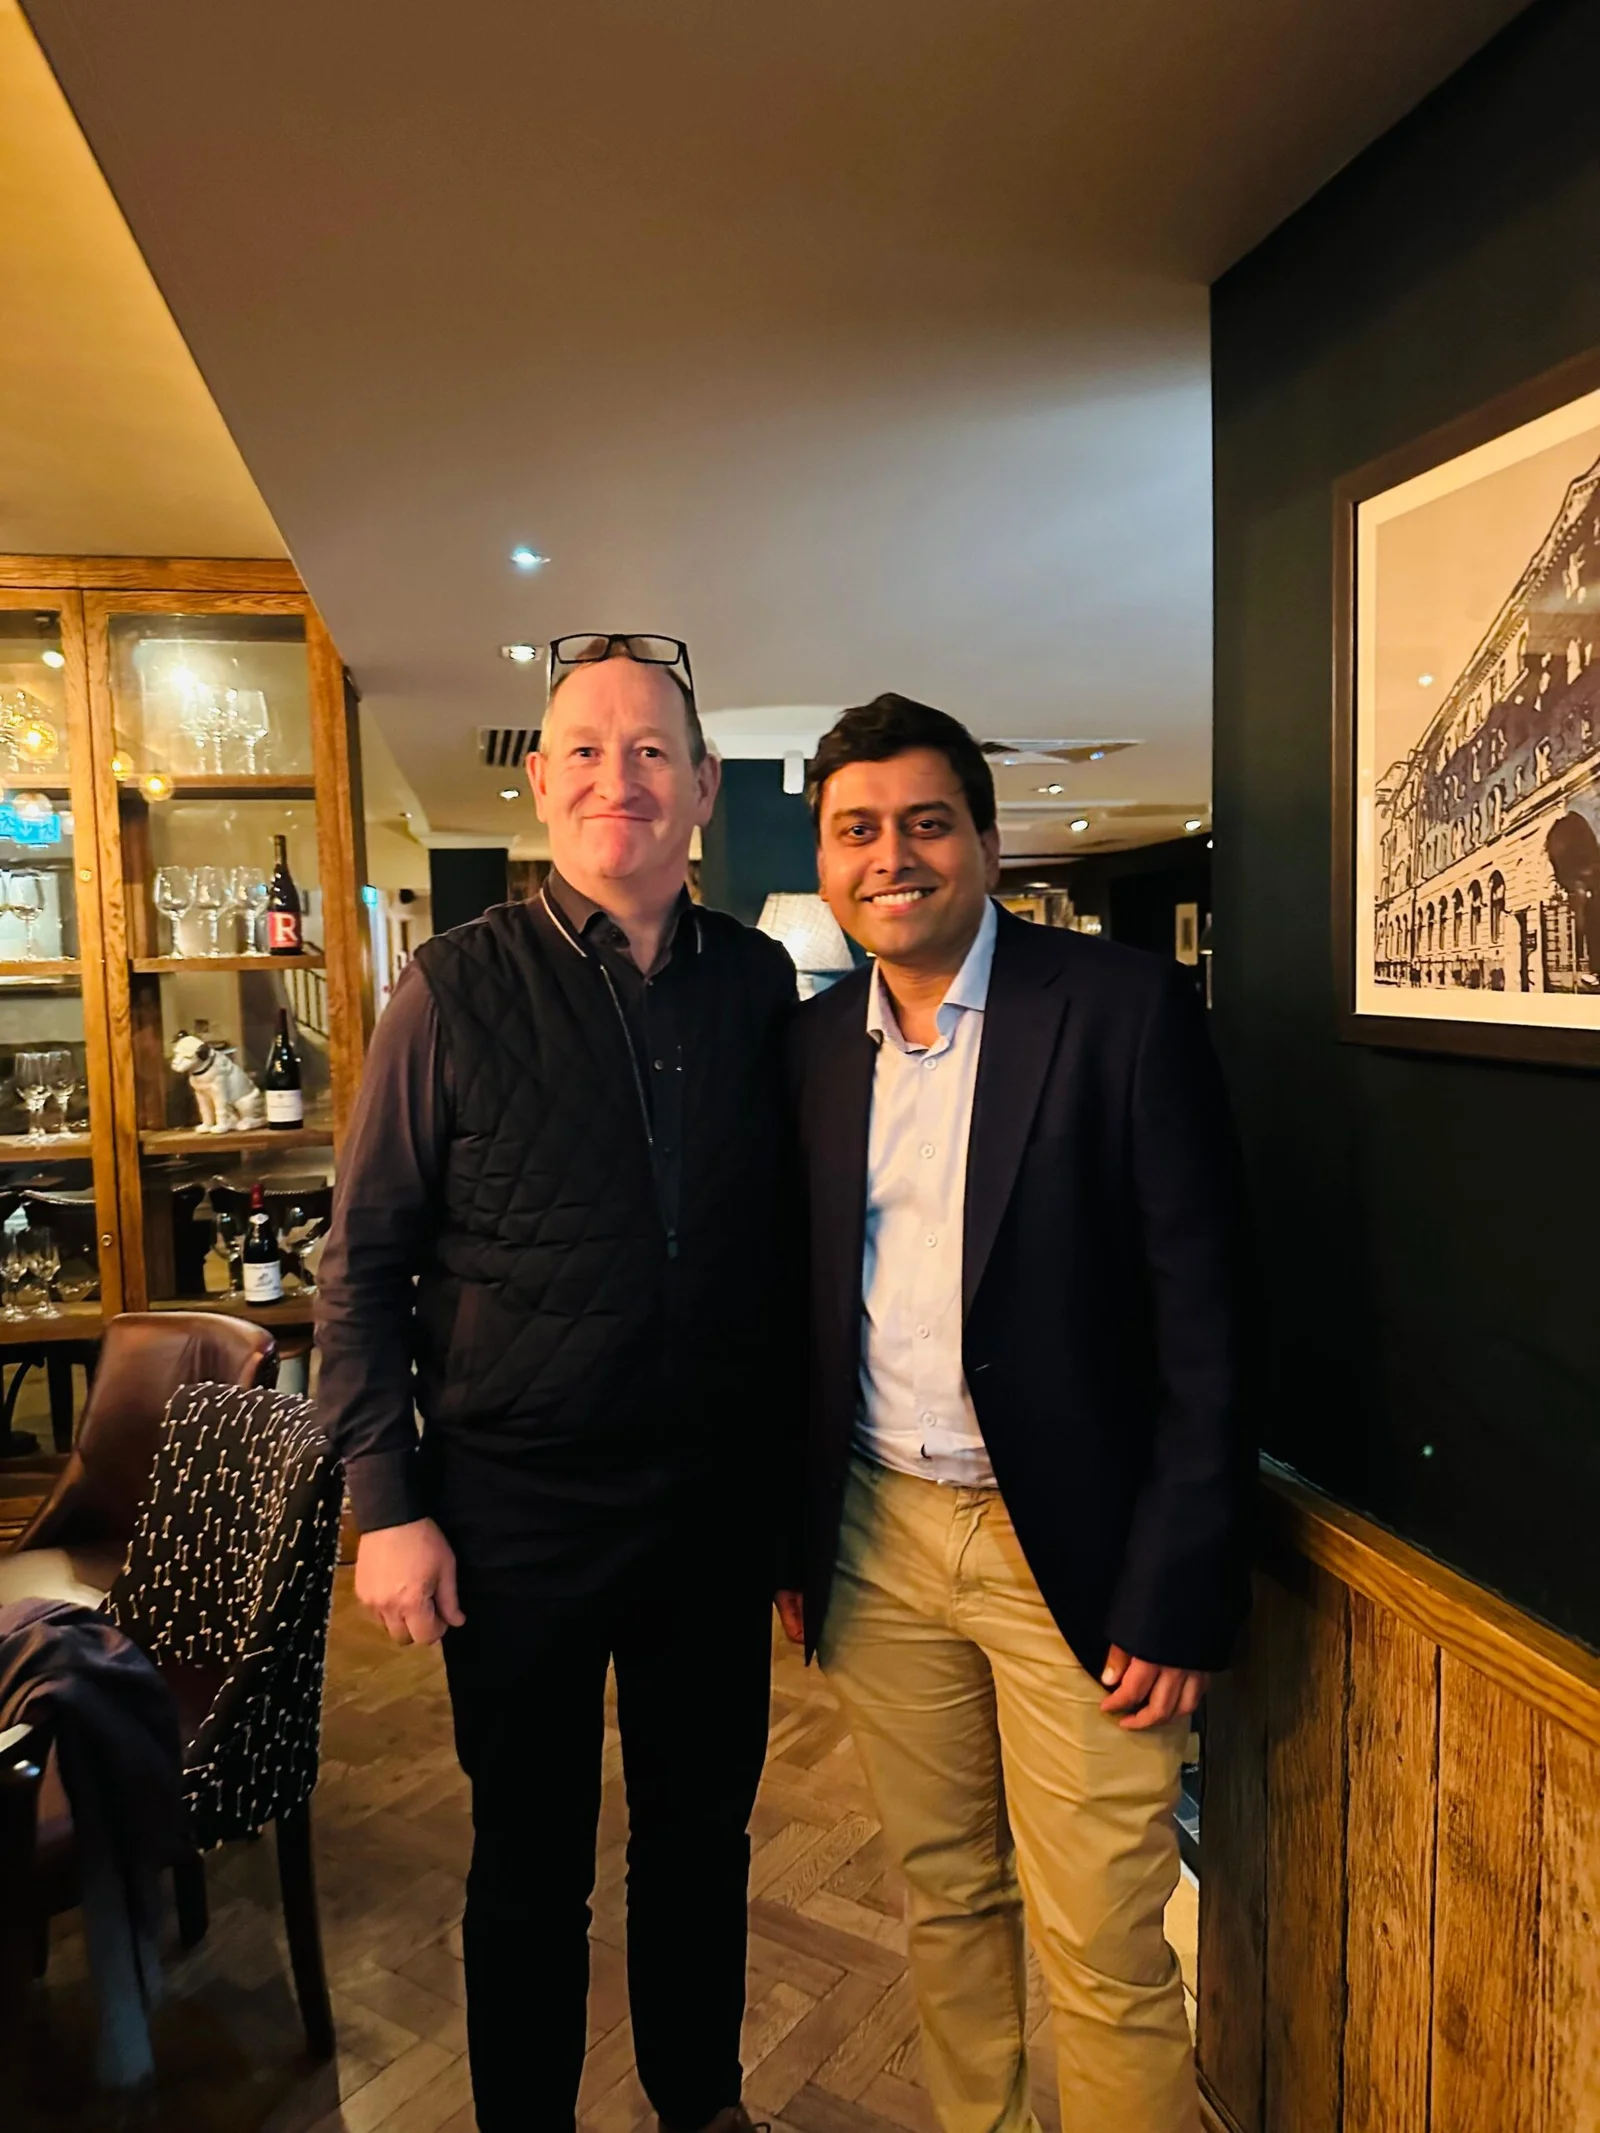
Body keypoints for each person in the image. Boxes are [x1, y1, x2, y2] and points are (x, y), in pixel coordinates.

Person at [315, 633, 796, 2133]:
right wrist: (387, 1505)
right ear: (538, 779)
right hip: (513, 1514)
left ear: (704, 788)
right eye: (586, 748)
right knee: (528, 1858)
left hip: (708, 1512)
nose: (617, 778)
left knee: (701, 1842)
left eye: (652, 751)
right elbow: (361, 1264)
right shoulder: (451, 988)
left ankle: (699, 2104)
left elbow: (786, 1252)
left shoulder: (760, 983)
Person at [779, 694, 1249, 2133]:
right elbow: (793, 1311)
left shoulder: (1120, 1011)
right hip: (876, 1536)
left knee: (1103, 1947)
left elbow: (1209, 1318)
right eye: (858, 830)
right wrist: (792, 1538)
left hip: (1077, 1557)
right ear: (826, 859)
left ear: (986, 843)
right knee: (945, 1900)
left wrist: (1177, 1585)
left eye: (927, 823)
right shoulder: (807, 1048)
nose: (892, 856)